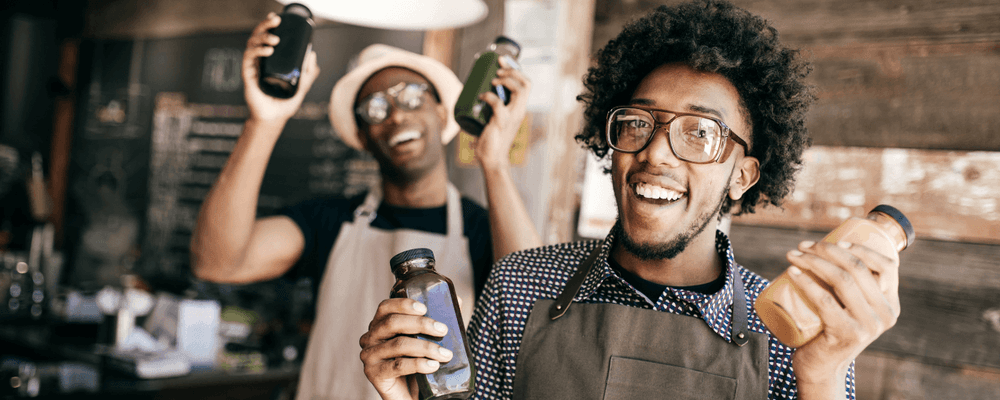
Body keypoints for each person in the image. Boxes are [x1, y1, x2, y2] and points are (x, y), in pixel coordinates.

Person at [359, 1, 901, 399]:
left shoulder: (791, 334)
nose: (656, 154)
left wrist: (824, 376)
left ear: (743, 175)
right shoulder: (519, 286)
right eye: (639, 123)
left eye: (699, 132)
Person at [190, 13, 541, 400]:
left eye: (411, 95)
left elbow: (533, 302)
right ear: (361, 135)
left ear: (442, 112)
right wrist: (265, 121)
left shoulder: (480, 228)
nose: (396, 114)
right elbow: (217, 260)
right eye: (374, 108)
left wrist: (494, 161)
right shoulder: (328, 220)